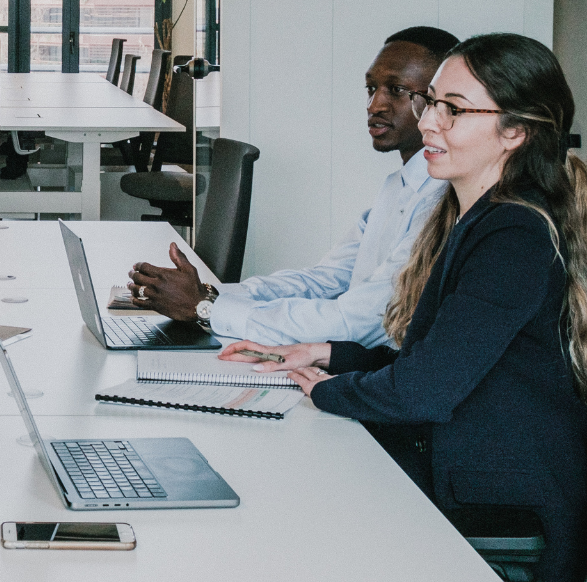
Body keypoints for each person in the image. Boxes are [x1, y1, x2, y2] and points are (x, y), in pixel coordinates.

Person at [225, 33, 587, 582]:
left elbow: (424, 389)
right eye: (431, 102)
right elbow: (435, 361)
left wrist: (328, 390)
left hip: (498, 491)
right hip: (469, 453)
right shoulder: (476, 217)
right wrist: (328, 355)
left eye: (454, 109)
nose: (430, 122)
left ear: (515, 130)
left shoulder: (513, 236)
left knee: (291, 497)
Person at [126, 26, 459, 346]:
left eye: (397, 91)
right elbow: (324, 281)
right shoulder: (397, 187)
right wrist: (207, 294)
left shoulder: (442, 201)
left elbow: (363, 321)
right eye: (372, 89)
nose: (374, 106)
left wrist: (207, 308)